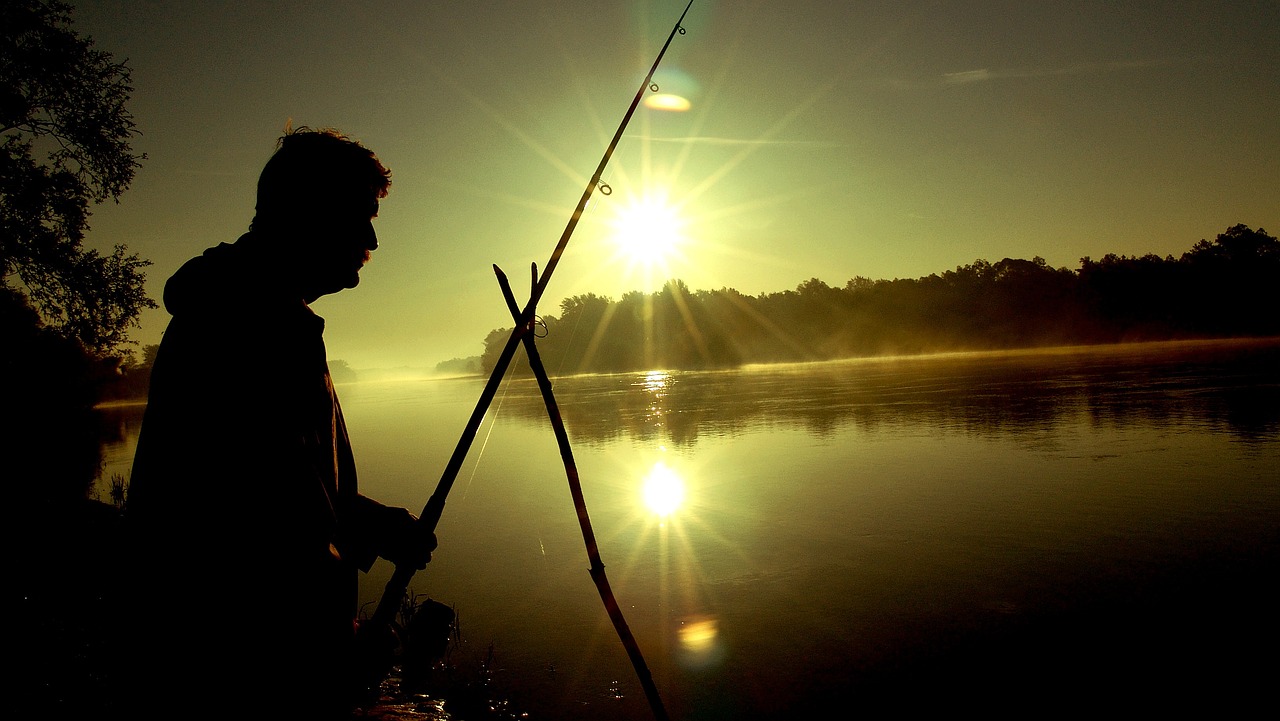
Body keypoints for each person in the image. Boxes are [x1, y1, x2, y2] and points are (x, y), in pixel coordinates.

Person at [120, 127, 435, 719]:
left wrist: (374, 526)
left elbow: (280, 484)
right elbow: (262, 537)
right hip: (238, 673)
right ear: (312, 212)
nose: (372, 238)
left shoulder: (254, 311)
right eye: (361, 216)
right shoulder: (249, 326)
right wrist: (332, 655)